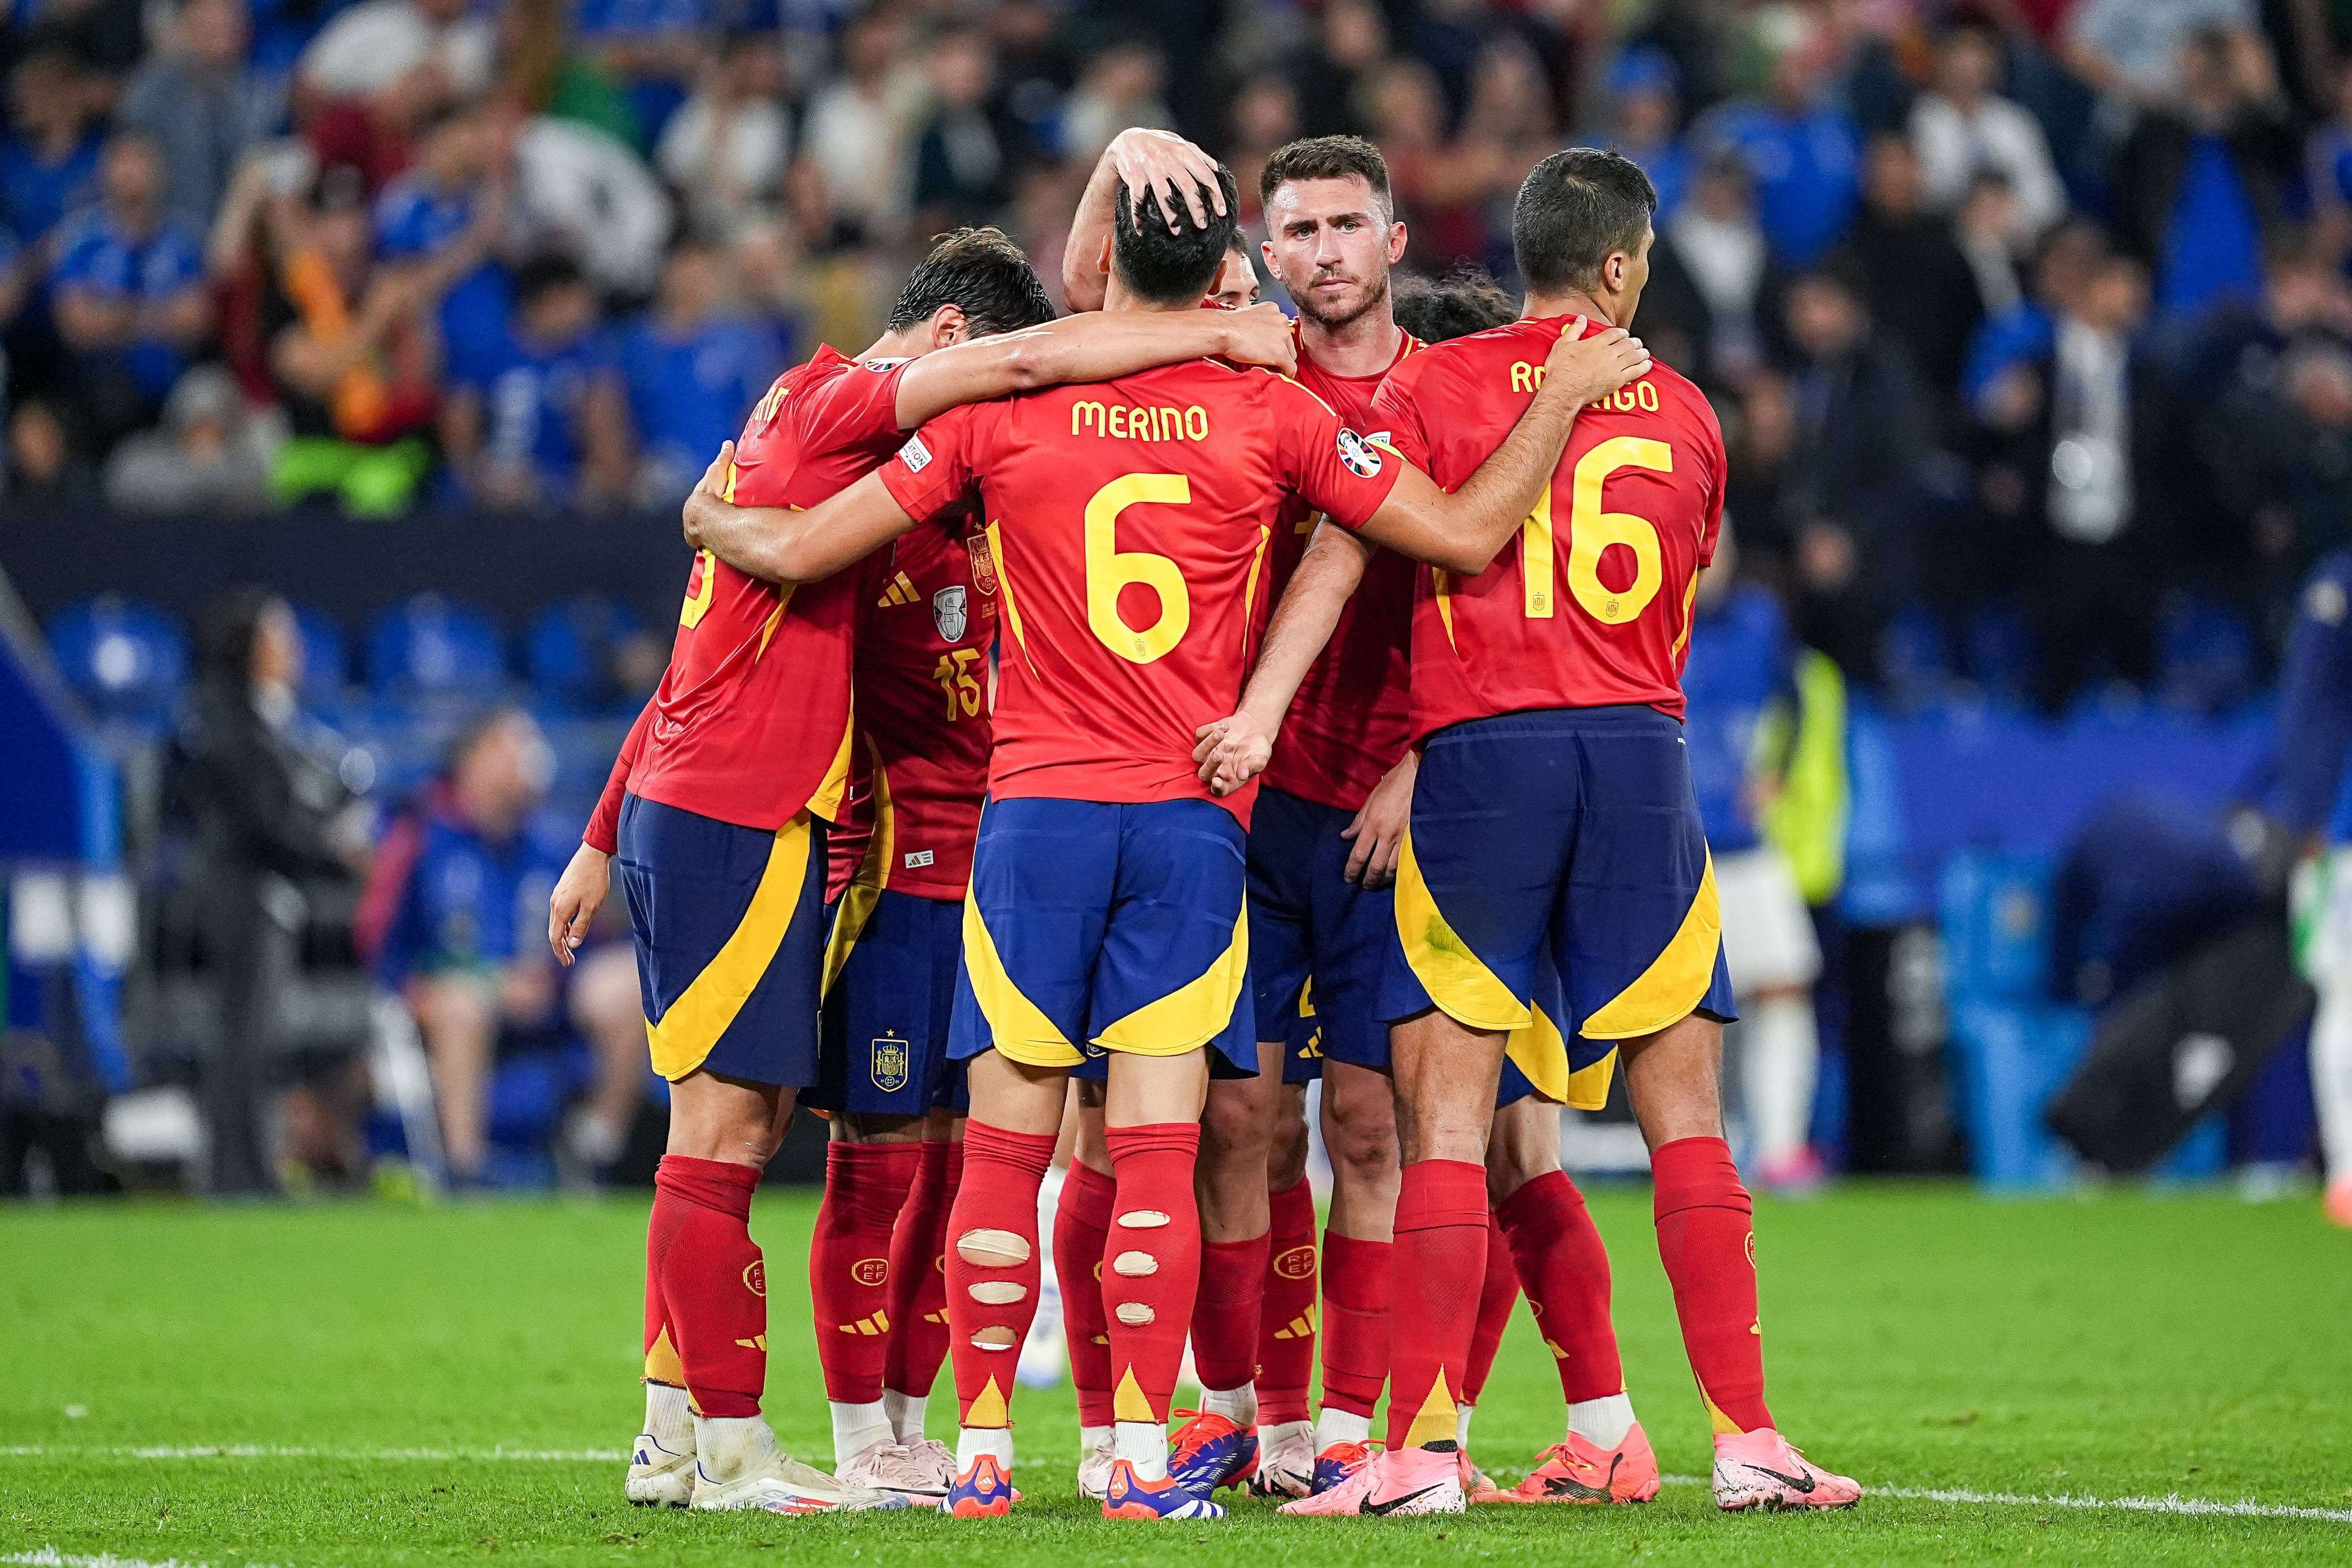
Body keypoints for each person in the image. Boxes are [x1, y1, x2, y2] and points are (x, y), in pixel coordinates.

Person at [676, 164, 1641, 1521]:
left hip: (1030, 827)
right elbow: (1469, 531)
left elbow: (805, 546)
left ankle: (988, 1452)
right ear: (1231, 273)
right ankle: (1140, 1453)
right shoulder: (1277, 412)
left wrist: (718, 518)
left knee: (1011, 1148)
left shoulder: (1011, 412)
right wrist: (1560, 397)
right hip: (1191, 820)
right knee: (1156, 1148)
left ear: (1109, 266)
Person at [543, 225, 1299, 1518]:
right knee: (770, 1140)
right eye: (999, 367)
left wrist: (603, 827)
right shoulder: (853, 421)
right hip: (838, 842)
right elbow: (1042, 362)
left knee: (900, 1150)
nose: (1025, 389)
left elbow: (703, 648)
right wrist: (1221, 328)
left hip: (879, 830)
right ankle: (770, 1440)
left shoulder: (932, 480)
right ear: (956, 343)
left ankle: (695, 1437)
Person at [1207, 146, 1860, 1516]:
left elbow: (1355, 542)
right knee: (1686, 1119)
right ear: (1623, 265)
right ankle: (1747, 1440)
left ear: (1521, 257)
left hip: (1482, 756)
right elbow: (1684, 586)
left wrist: (1266, 711)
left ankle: (1422, 1456)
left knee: (1446, 1120)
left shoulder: (1436, 383)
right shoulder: (1686, 410)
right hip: (1640, 757)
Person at [363, 708, 645, 1188]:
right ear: (475, 760)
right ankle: (466, 1171)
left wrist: (554, 976)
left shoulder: (555, 842)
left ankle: (598, 1150)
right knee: (462, 1007)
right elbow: (379, 937)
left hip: (546, 995)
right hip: (454, 996)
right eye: (515, 744)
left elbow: (597, 934)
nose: (533, 758)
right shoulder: (423, 835)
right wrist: (444, 985)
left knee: (627, 982)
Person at [170, 590, 368, 1195]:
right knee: (243, 1039)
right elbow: (264, 821)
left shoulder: (263, 716)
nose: (295, 649)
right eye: (280, 635)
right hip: (241, 893)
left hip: (262, 892)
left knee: (256, 1040)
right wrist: (336, 858)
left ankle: (251, 1169)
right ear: (250, 646)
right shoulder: (232, 719)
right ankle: (237, 1173)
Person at [1682, 539, 1825, 1188]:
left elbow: (1795, 699)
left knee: (1784, 984)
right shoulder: (1648, 615)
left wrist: (1778, 773)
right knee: (1689, 1009)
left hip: (1742, 843)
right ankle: (1704, 1155)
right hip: (1671, 849)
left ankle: (1780, 1148)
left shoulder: (1761, 620)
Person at [2280, 552, 2352, 1226]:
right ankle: (2349, 1167)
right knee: (2345, 994)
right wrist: (2311, 813)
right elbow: (2311, 708)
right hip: (2346, 841)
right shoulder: (2340, 582)